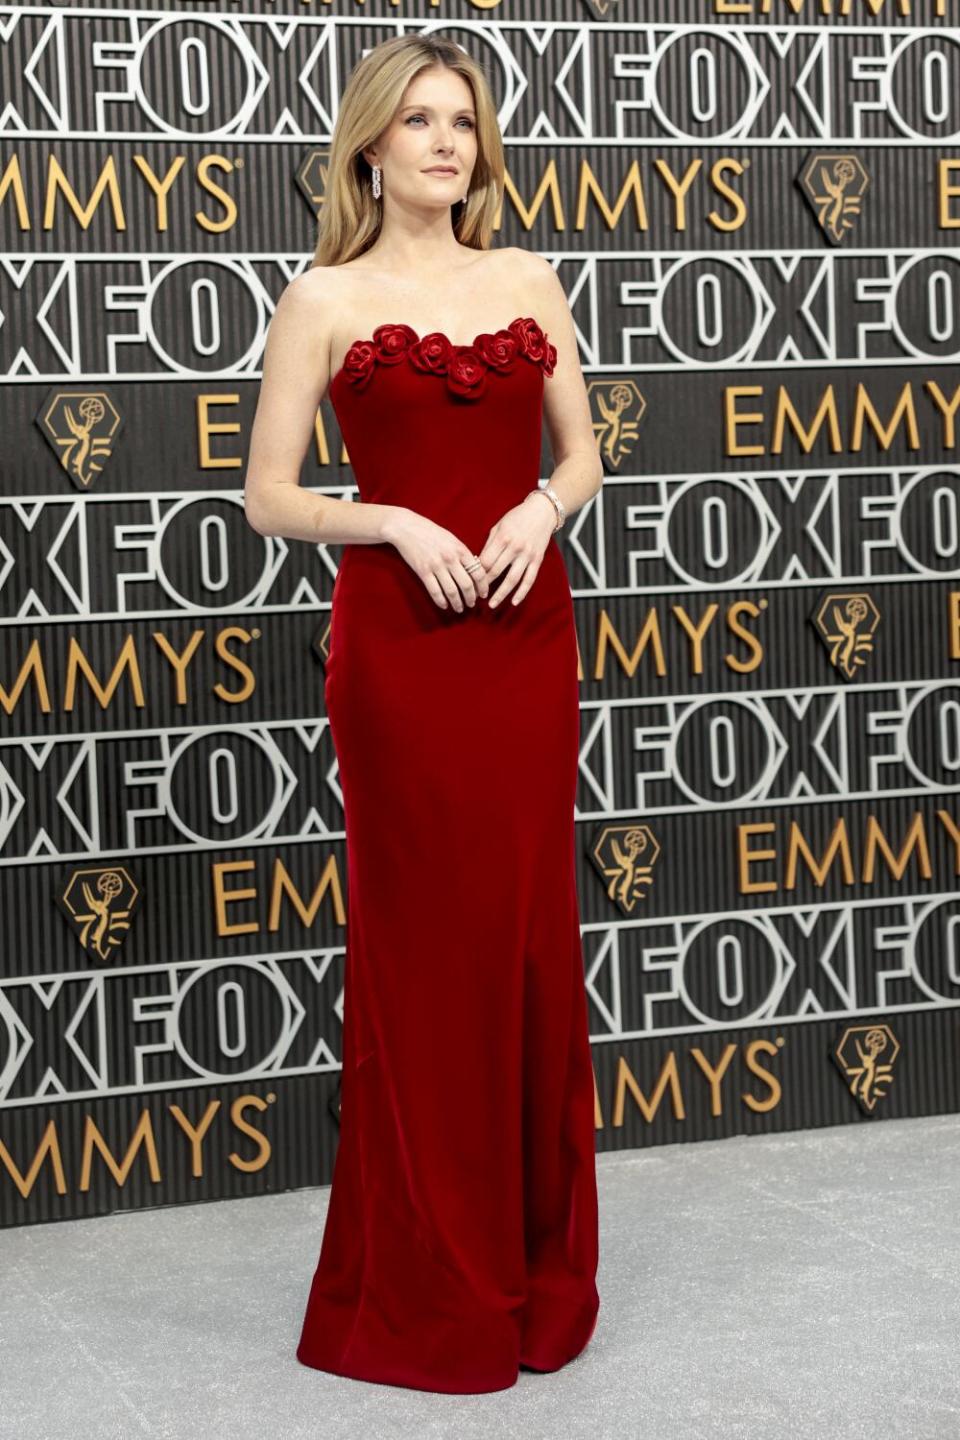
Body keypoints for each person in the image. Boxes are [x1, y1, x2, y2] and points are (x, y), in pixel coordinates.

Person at [243, 33, 603, 1395]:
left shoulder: (526, 279)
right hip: (398, 651)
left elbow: (584, 452)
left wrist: (536, 507)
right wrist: (390, 516)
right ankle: (436, 1287)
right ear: (371, 148)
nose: (447, 142)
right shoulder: (322, 298)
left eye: (465, 121)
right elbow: (267, 496)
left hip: (523, 634)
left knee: (521, 945)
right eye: (420, 120)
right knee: (425, 953)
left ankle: (536, 1278)